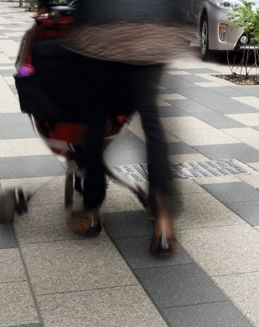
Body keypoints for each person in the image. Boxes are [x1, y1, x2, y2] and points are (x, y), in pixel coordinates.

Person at [63, 0, 191, 253]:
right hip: (154, 29)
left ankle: (91, 212)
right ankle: (163, 223)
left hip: (103, 28)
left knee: (95, 121)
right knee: (151, 121)